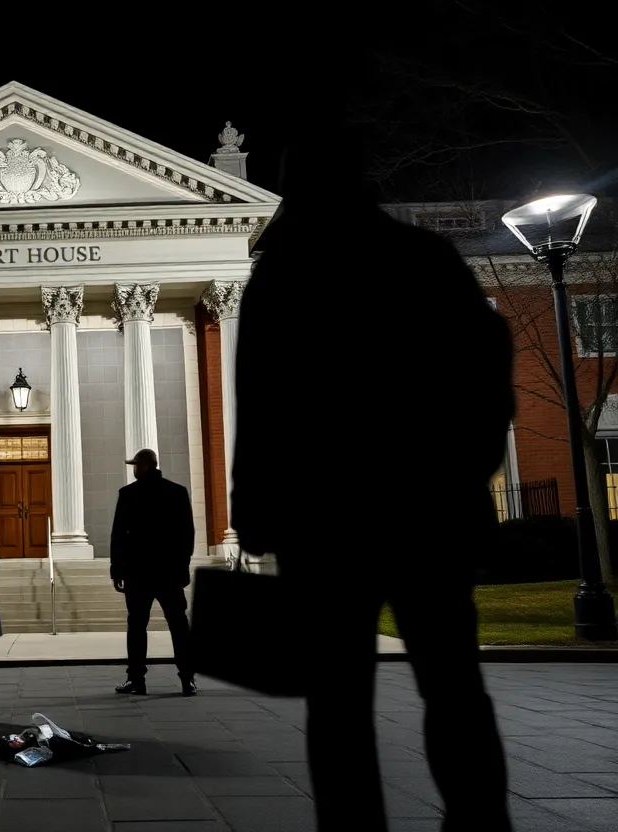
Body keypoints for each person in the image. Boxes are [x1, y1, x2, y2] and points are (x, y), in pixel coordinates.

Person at [231, 131, 514, 831]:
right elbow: (487, 380)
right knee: (453, 686)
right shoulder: (426, 258)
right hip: (427, 511)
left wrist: (254, 508)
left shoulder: (285, 273)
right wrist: (465, 474)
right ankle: (480, 820)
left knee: (338, 703)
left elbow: (259, 401)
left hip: (325, 521)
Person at [110, 448, 197, 696]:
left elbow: (118, 535)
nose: (133, 469)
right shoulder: (177, 492)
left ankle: (137, 680)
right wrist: (183, 567)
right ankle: (187, 679)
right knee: (179, 626)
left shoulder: (128, 494)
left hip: (138, 573)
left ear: (145, 466)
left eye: (135, 465)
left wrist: (117, 570)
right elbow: (187, 535)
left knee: (137, 627)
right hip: (169, 573)